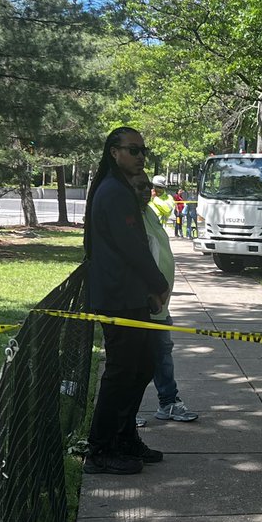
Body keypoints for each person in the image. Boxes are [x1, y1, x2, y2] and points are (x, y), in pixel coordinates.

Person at [83, 127, 171, 475]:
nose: (140, 156)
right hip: (118, 299)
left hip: (131, 296)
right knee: (121, 373)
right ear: (114, 152)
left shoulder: (120, 190)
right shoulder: (113, 192)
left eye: (143, 151)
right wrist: (158, 283)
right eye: (133, 150)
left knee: (145, 364)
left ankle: (124, 436)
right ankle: (100, 449)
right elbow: (131, 247)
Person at [135, 174, 199, 425]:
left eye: (148, 188)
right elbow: (136, 261)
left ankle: (168, 402)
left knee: (161, 353)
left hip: (159, 306)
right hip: (144, 305)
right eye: (139, 188)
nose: (146, 192)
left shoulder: (148, 212)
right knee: (137, 359)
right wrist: (151, 292)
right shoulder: (130, 219)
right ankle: (126, 411)